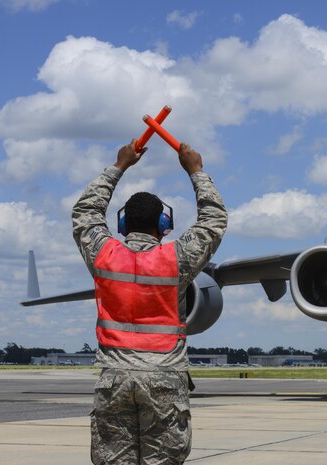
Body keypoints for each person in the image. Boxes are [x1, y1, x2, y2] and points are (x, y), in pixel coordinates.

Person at [72, 140, 228, 464]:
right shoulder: (175, 260)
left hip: (114, 376)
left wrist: (120, 165)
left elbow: (85, 211)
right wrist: (195, 170)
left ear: (123, 224)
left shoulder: (104, 255)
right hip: (164, 380)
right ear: (163, 225)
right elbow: (213, 222)